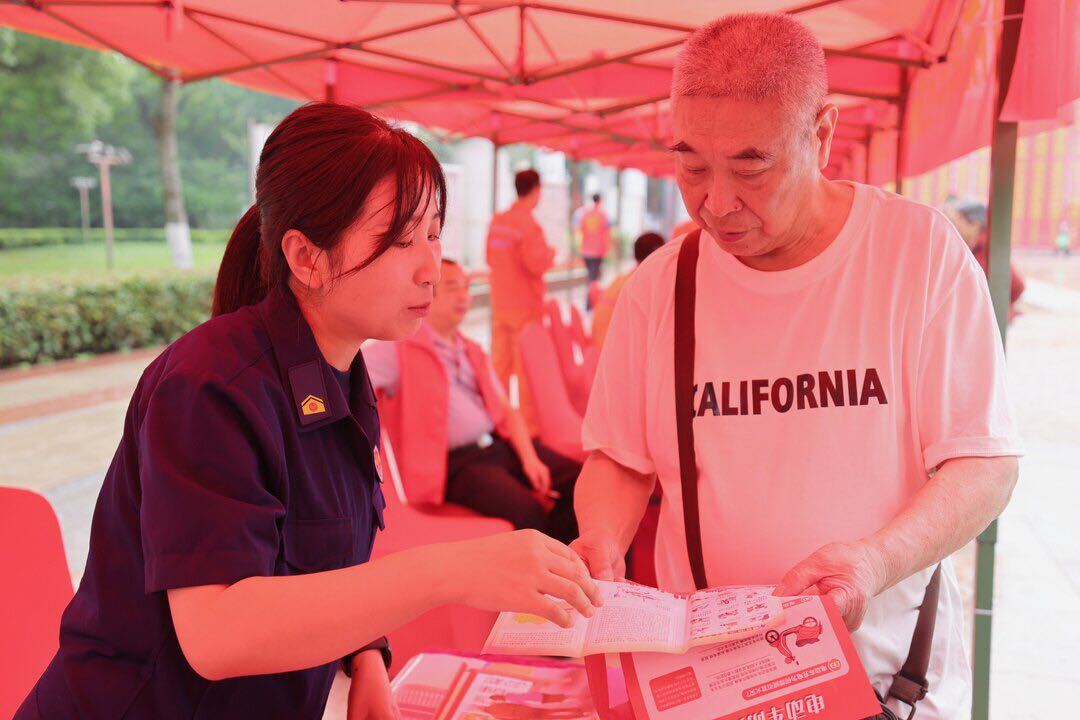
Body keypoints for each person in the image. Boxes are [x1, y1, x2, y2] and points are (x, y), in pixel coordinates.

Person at [15, 104, 599, 720]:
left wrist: (364, 655)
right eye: (401, 240)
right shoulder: (208, 386)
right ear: (307, 258)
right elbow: (218, 630)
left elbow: (317, 556)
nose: (431, 268)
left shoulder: (343, 376)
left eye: (433, 233)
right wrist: (450, 571)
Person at [572, 15, 1020, 720]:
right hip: (707, 690)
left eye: (751, 166)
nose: (716, 203)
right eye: (691, 165)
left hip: (887, 684)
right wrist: (601, 542)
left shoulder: (915, 254)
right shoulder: (662, 287)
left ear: (822, 133)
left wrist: (875, 561)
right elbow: (622, 459)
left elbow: (985, 466)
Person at [364, 259, 581, 542]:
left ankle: (585, 576)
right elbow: (348, 376)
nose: (464, 297)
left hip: (499, 446)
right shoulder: (397, 348)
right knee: (526, 512)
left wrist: (530, 459)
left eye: (467, 288)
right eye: (453, 288)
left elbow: (506, 409)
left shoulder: (472, 349)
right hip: (457, 465)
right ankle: (551, 577)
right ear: (426, 293)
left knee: (583, 483)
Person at [486, 169, 555, 433]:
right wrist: (549, 254)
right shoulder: (529, 225)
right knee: (525, 370)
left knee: (499, 366)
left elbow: (490, 258)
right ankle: (529, 430)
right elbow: (536, 263)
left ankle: (498, 423)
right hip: (525, 306)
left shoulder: (498, 221)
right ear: (536, 190)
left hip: (500, 302)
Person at [943, 197, 1025, 322]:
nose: (956, 226)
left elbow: (1018, 285)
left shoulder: (986, 248)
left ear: (974, 224)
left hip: (987, 321)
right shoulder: (975, 246)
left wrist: (998, 308)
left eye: (959, 220)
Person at [591, 232, 665, 348]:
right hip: (610, 344)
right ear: (657, 252)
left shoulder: (630, 276)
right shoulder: (643, 280)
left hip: (599, 338)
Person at [578, 194, 611, 292]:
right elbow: (606, 233)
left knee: (590, 277)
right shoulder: (602, 215)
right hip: (597, 251)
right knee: (593, 279)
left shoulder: (586, 214)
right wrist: (607, 248)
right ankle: (589, 302)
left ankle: (589, 301)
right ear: (600, 201)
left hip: (586, 251)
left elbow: (581, 230)